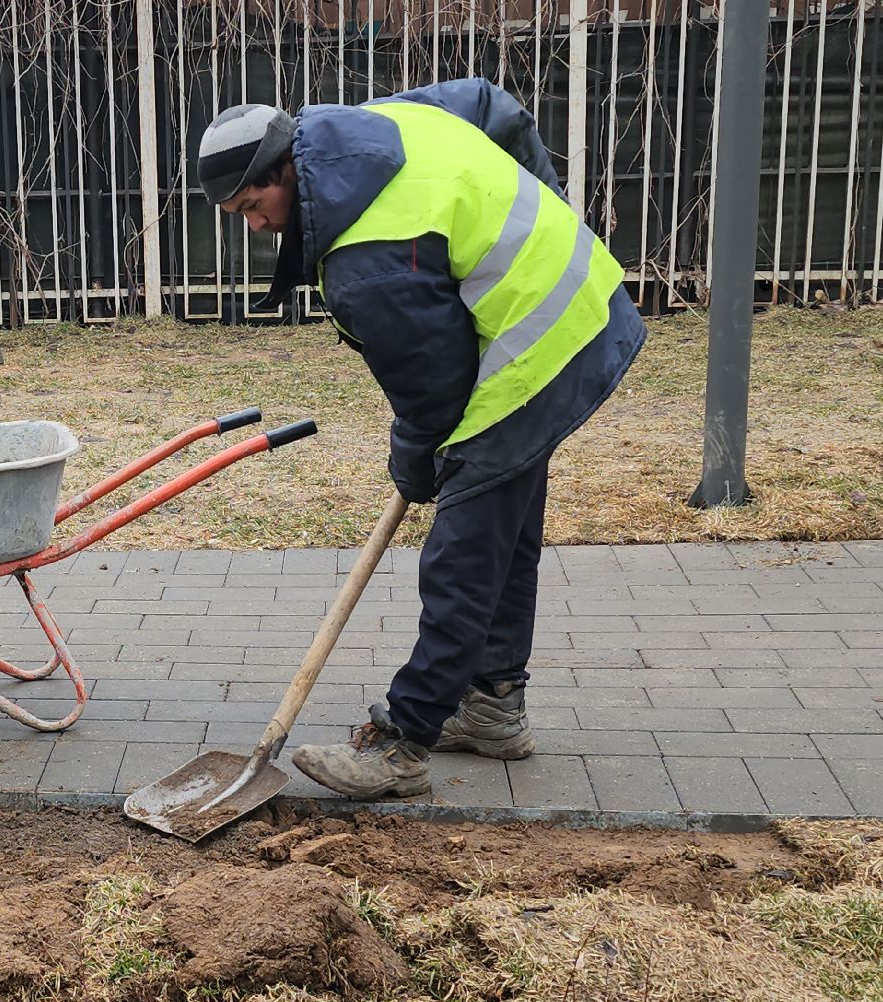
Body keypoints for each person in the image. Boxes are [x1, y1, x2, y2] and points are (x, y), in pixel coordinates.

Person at [196, 79, 646, 800]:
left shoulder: (368, 262)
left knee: (464, 546)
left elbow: (433, 396)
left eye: (254, 207)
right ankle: (494, 707)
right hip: (576, 293)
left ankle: (404, 742)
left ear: (285, 170)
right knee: (503, 526)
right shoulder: (372, 126)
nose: (255, 227)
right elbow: (492, 106)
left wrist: (416, 467)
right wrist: (550, 216)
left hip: (540, 342)